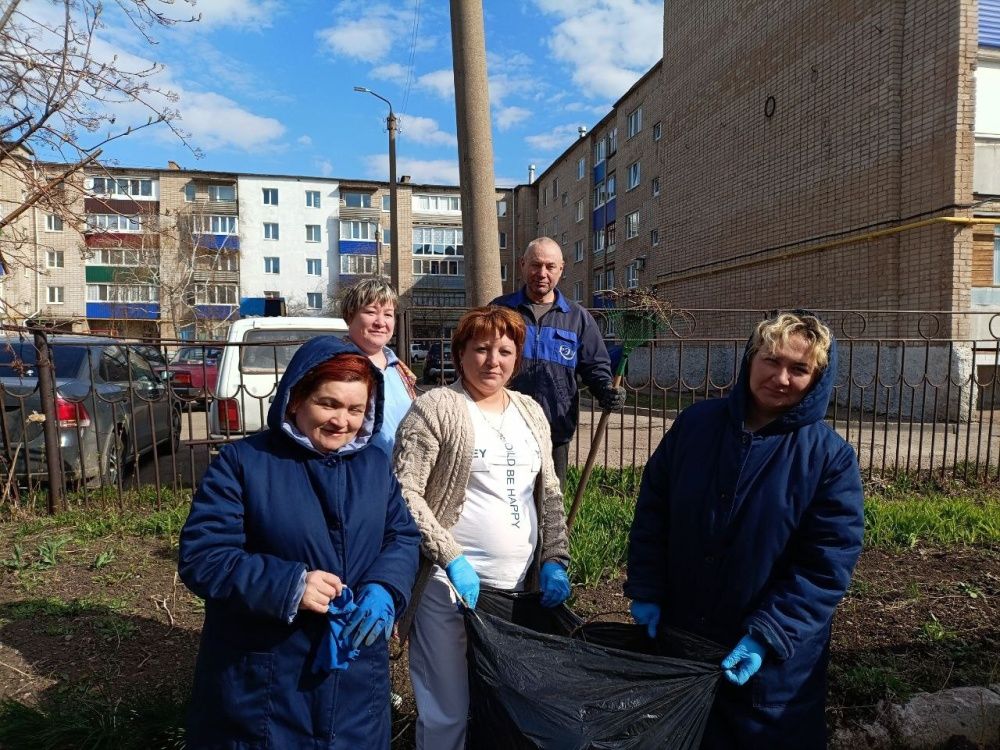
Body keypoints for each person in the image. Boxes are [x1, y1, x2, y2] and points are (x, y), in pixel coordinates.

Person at [624, 311, 864, 749]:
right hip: (683, 639)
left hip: (772, 666)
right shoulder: (696, 426)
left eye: (799, 369)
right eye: (771, 360)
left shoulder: (829, 459)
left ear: (818, 378)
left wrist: (768, 633)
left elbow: (826, 564)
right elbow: (653, 512)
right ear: (750, 360)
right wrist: (646, 587)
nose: (781, 377)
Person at [178, 336, 420, 749]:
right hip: (269, 682)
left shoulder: (373, 465)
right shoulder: (245, 463)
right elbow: (205, 556)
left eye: (355, 410)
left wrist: (386, 586)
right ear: (295, 400)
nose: (341, 421)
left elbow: (401, 535)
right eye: (328, 403)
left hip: (357, 678)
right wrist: (290, 585)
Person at [393, 305, 572, 750]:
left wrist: (554, 559)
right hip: (447, 590)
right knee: (447, 709)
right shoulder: (437, 407)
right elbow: (404, 492)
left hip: (516, 590)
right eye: (482, 349)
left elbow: (548, 491)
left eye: (505, 351)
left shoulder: (530, 411)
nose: (493, 360)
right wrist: (450, 557)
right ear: (460, 354)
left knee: (506, 703)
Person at [492, 236, 626, 486]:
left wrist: (606, 390)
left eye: (550, 266)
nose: (541, 273)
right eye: (535, 264)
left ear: (561, 269)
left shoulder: (578, 318)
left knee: (550, 508)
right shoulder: (500, 311)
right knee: (505, 506)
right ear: (522, 265)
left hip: (555, 430)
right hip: (504, 429)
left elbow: (595, 367)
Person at [341, 277, 417, 455]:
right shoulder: (337, 365)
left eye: (388, 314)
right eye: (371, 312)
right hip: (359, 473)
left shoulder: (398, 368)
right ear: (350, 315)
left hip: (402, 474)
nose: (381, 322)